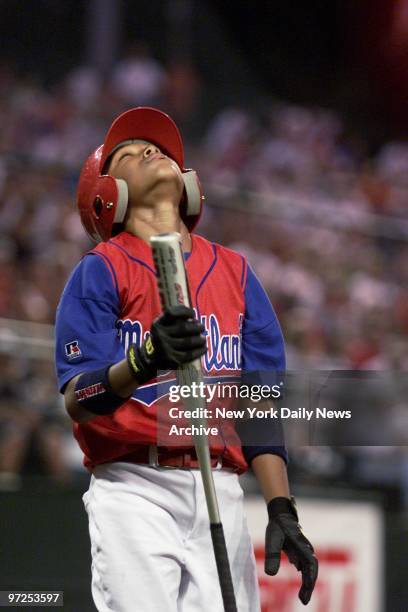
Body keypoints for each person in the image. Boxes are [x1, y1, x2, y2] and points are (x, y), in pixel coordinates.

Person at [55, 106, 318, 611]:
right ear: (110, 196)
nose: (150, 150)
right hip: (134, 486)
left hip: (221, 487)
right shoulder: (99, 271)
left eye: (157, 149)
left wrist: (281, 506)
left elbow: (259, 402)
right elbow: (79, 396)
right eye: (129, 154)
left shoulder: (237, 272)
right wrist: (145, 358)